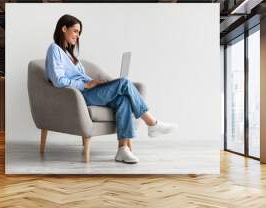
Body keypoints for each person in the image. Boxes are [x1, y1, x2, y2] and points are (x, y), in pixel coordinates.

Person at [45, 14, 175, 164]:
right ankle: (152, 123)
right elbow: (58, 80)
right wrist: (85, 85)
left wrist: (100, 82)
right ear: (63, 28)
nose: (78, 35)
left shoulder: (71, 54)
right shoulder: (54, 49)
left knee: (123, 99)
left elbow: (81, 77)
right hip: (79, 95)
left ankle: (122, 150)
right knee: (125, 83)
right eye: (75, 31)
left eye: (79, 32)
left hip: (88, 90)